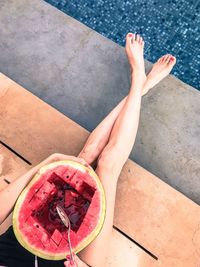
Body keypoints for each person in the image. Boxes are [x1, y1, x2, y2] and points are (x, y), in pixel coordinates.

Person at [0, 33, 176, 267]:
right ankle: (139, 82)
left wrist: (46, 164)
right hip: (74, 260)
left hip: (27, 233)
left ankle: (141, 86)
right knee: (108, 165)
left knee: (83, 159)